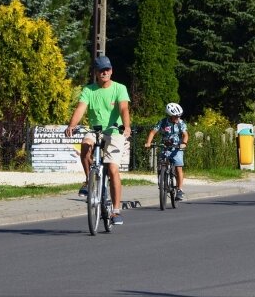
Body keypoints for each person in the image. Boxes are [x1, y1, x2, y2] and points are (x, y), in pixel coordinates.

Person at [64, 56, 131, 225]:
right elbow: (80, 108)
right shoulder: (89, 90)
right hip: (95, 130)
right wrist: (72, 125)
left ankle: (116, 211)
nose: (104, 73)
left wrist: (127, 126)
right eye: (101, 70)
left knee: (113, 169)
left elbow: (124, 108)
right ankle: (89, 180)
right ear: (95, 73)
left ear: (111, 71)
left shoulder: (119, 88)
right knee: (85, 145)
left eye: (107, 70)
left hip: (114, 131)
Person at [144, 102, 189, 201]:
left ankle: (179, 189)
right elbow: (153, 132)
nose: (177, 118)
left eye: (178, 116)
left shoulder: (181, 123)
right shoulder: (163, 122)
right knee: (162, 164)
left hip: (177, 148)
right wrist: (148, 143)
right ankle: (163, 176)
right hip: (165, 147)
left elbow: (185, 135)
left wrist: (184, 143)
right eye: (175, 116)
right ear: (170, 115)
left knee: (178, 168)